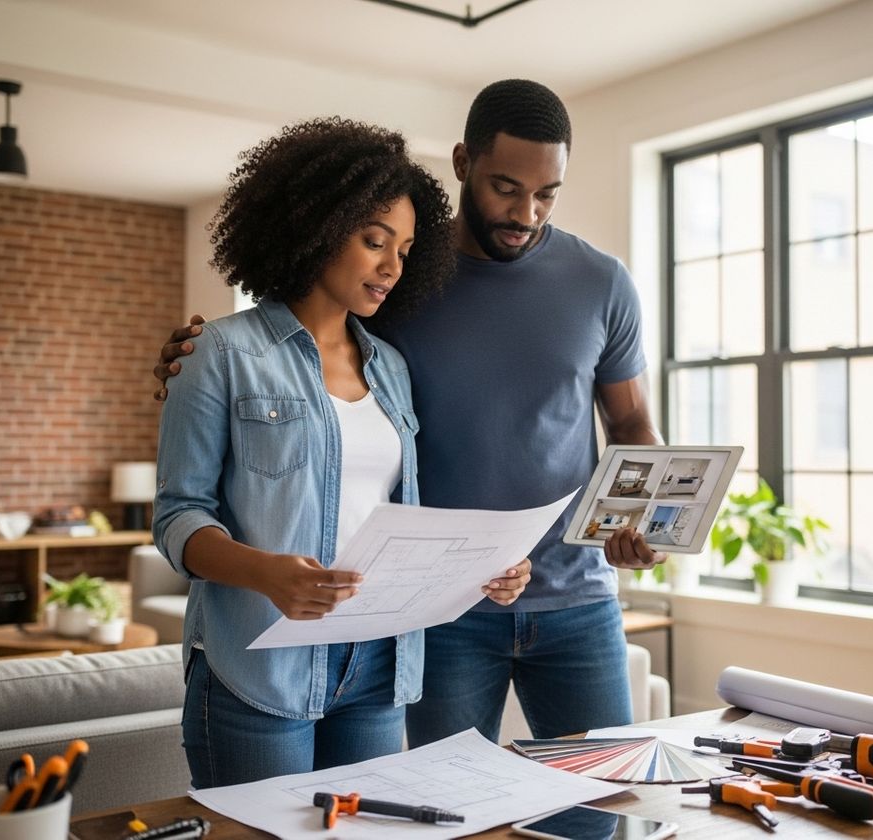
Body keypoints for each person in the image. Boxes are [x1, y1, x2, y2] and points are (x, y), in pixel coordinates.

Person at [156, 81, 665, 749]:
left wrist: (644, 520)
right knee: (440, 809)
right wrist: (189, 358)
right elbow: (299, 339)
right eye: (507, 188)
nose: (527, 212)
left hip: (573, 595)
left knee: (600, 800)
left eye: (547, 194)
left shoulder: (601, 282)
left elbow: (631, 427)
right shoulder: (402, 280)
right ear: (462, 163)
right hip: (437, 610)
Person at [151, 117, 530, 788]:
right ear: (317, 227)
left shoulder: (391, 367)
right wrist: (265, 571)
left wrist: (483, 571)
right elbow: (178, 516)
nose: (391, 266)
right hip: (259, 670)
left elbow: (391, 515)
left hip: (378, 667)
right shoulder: (220, 352)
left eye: (406, 250)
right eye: (373, 240)